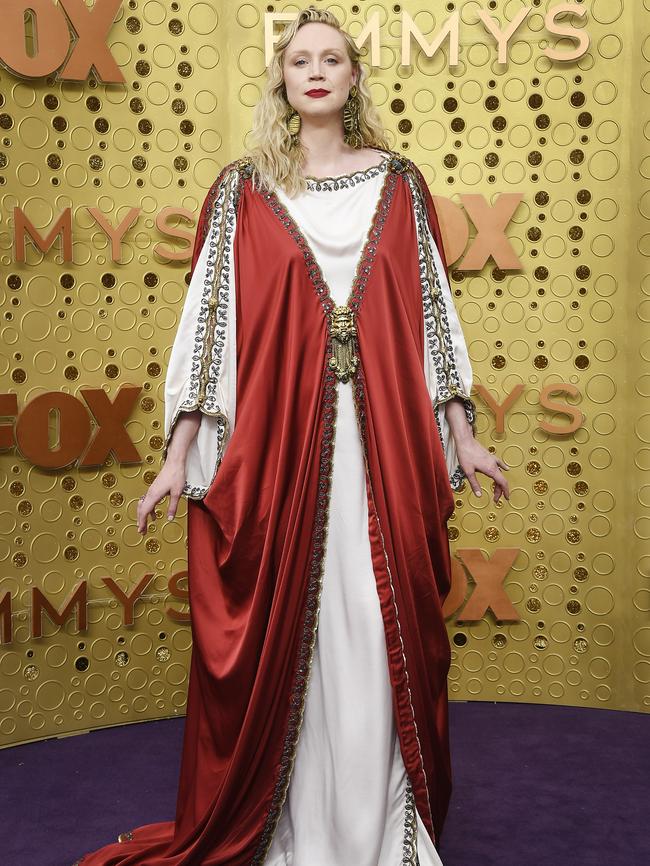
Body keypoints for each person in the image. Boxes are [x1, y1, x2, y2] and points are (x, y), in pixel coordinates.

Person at [73, 6, 509, 866]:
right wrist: (176, 459)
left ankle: (384, 838)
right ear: (281, 77)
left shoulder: (399, 182)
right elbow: (208, 327)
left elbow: (432, 320)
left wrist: (461, 436)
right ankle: (291, 835)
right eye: (299, 58)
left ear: (354, 80)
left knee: (372, 624)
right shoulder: (244, 188)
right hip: (281, 455)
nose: (315, 71)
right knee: (297, 639)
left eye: (332, 59)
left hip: (381, 453)